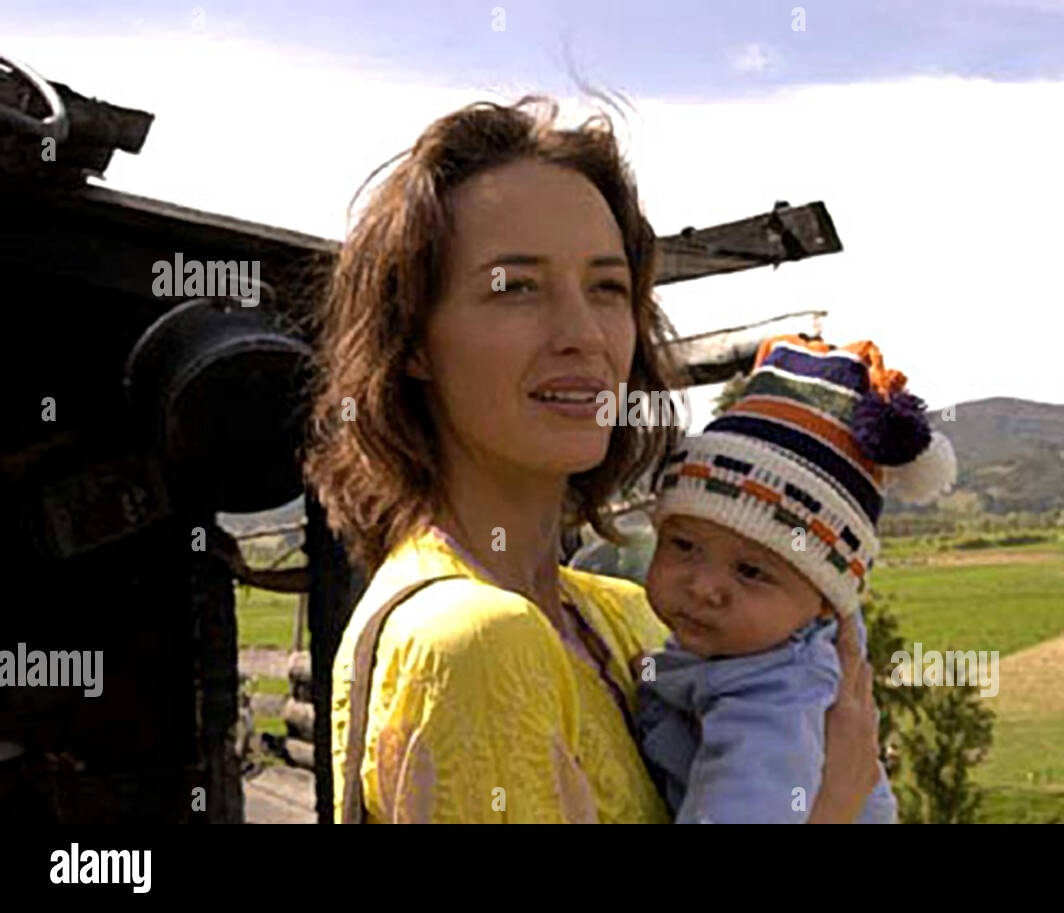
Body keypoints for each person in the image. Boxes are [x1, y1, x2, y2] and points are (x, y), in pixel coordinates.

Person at [304, 95, 882, 823]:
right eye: (516, 288)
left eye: (607, 288)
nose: (585, 334)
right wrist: (831, 805)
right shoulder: (471, 640)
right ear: (414, 339)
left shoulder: (622, 615)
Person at [633, 334, 958, 823]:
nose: (702, 587)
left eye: (750, 571)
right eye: (683, 546)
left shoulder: (776, 698)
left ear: (825, 600)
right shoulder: (759, 645)